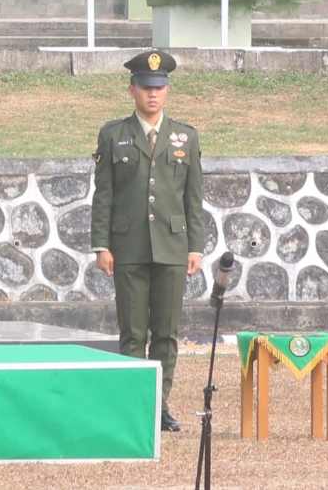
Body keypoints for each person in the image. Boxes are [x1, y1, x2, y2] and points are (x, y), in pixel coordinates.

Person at [89, 49, 204, 432]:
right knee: (133, 332)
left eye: (159, 88)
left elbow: (193, 196)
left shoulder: (186, 136)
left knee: (167, 333)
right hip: (129, 246)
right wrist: (101, 244)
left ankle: (159, 404)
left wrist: (195, 246)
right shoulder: (113, 134)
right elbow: (103, 193)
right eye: (145, 88)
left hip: (172, 246)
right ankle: (132, 404)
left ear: (167, 90)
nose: (152, 95)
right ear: (132, 90)